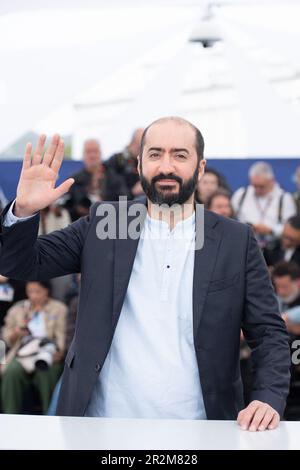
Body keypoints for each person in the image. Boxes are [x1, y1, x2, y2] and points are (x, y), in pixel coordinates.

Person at [0, 118, 290, 431]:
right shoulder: (103, 224)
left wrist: (268, 397)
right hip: (101, 427)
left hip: (202, 429)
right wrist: (24, 211)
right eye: (155, 154)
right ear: (139, 165)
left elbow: (268, 332)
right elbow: (20, 264)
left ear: (201, 167)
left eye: (180, 155)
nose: (166, 166)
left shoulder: (236, 240)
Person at [1, 280, 67, 414]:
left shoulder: (58, 308)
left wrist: (60, 352)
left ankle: (50, 415)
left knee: (47, 372)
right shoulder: (18, 308)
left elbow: (62, 334)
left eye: (38, 291)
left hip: (47, 352)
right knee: (11, 371)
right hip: (23, 353)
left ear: (46, 291)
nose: (34, 296)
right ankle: (10, 415)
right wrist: (17, 333)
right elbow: (6, 337)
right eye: (30, 291)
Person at [232, 161, 296, 248]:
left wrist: (271, 230)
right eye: (254, 186)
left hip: (275, 247)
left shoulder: (285, 198)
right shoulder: (241, 195)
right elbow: (231, 218)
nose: (257, 189)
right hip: (244, 245)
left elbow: (291, 229)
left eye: (261, 186)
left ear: (272, 180)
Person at [105, 128, 145, 201]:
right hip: (118, 207)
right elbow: (112, 191)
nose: (142, 150)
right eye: (140, 147)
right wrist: (133, 192)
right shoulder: (115, 161)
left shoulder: (144, 162)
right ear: (132, 143)